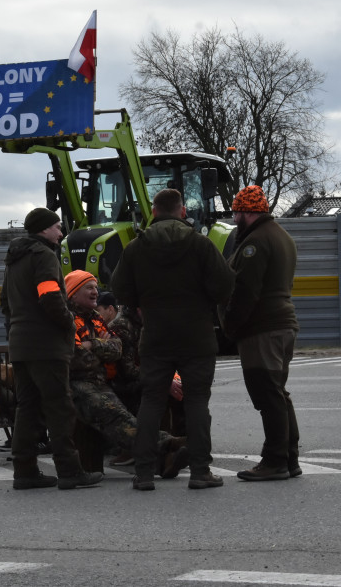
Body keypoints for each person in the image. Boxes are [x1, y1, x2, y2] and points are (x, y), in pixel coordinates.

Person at [111, 188, 235, 491]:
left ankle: (143, 474)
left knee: (151, 402)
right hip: (197, 336)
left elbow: (119, 289)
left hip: (155, 336)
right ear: (182, 212)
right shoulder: (200, 244)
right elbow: (225, 285)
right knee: (196, 402)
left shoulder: (137, 248)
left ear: (153, 212)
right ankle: (200, 471)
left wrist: (144, 302)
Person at [0, 207, 102, 491]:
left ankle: (25, 471)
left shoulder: (13, 258)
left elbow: (5, 305)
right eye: (57, 227)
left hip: (20, 344)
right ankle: (70, 471)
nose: (61, 232)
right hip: (46, 345)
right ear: (44, 229)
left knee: (27, 409)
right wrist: (69, 322)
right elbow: (49, 296)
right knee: (59, 407)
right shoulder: (43, 255)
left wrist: (18, 327)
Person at [64, 270, 186, 479]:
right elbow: (77, 359)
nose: (95, 292)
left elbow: (115, 350)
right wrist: (101, 346)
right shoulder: (68, 320)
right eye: (89, 288)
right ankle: (167, 444)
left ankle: (166, 456)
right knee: (116, 417)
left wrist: (92, 345)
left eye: (95, 287)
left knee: (123, 415)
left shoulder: (95, 320)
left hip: (101, 382)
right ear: (73, 294)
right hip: (78, 384)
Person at [220, 185, 302, 482]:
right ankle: (289, 458)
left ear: (247, 211)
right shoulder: (282, 236)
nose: (234, 218)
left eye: (236, 212)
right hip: (282, 324)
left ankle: (275, 461)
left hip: (262, 329)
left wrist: (229, 328)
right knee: (278, 393)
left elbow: (245, 291)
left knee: (267, 395)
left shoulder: (255, 243)